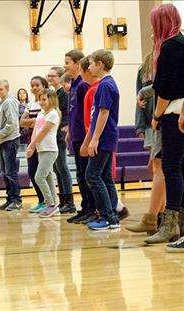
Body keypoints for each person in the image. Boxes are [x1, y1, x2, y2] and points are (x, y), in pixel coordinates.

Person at [146, 4, 184, 249]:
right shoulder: (180, 42)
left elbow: (167, 88)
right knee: (179, 168)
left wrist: (156, 116)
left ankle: (170, 224)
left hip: (172, 113)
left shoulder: (171, 46)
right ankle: (177, 226)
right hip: (178, 111)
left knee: (171, 168)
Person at [79, 56, 129, 224]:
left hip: (104, 137)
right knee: (105, 176)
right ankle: (114, 215)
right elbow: (95, 117)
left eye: (92, 63)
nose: (89, 67)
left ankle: (107, 217)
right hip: (106, 137)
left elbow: (103, 113)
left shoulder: (106, 85)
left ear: (100, 65)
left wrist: (94, 140)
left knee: (92, 175)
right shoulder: (105, 84)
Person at [125, 53, 166, 236]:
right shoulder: (145, 65)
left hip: (163, 118)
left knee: (159, 168)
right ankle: (160, 214)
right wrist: (139, 124)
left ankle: (159, 215)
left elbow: (160, 87)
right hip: (152, 122)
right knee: (156, 168)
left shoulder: (170, 54)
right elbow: (139, 97)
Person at [63, 49, 94, 224]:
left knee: (86, 174)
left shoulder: (83, 84)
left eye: (67, 62)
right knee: (81, 175)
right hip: (75, 135)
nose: (64, 65)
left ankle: (92, 208)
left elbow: (87, 112)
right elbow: (73, 112)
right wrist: (69, 132)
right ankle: (85, 208)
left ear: (77, 63)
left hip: (84, 136)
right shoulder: (74, 84)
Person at [27, 89, 61, 217]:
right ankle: (53, 204)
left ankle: (50, 204)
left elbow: (43, 132)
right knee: (48, 177)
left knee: (39, 177)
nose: (41, 102)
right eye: (39, 99)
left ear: (51, 100)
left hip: (50, 149)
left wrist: (31, 145)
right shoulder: (41, 113)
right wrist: (32, 147)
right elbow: (36, 131)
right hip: (41, 149)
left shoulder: (53, 114)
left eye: (44, 99)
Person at [47, 66, 76, 214]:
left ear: (60, 77)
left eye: (52, 76)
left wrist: (67, 126)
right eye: (48, 76)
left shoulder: (64, 93)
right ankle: (63, 200)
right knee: (57, 168)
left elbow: (68, 112)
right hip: (54, 132)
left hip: (60, 132)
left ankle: (69, 202)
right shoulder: (54, 93)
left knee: (62, 167)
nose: (49, 78)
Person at [20, 76, 49, 213]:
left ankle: (49, 202)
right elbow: (21, 122)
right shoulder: (30, 103)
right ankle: (41, 200)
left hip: (43, 141)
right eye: (32, 85)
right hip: (30, 140)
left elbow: (44, 122)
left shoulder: (47, 102)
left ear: (44, 86)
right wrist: (36, 120)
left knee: (42, 173)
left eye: (37, 85)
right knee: (32, 172)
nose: (34, 88)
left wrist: (33, 121)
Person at [0, 80, 22, 211]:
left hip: (10, 140)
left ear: (7, 89)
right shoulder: (1, 103)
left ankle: (16, 200)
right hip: (3, 140)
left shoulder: (9, 102)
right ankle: (10, 198)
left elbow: (12, 124)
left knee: (10, 172)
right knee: (5, 172)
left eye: (1, 89)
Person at [134, 53, 154, 150]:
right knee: (154, 158)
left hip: (167, 120)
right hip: (150, 123)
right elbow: (139, 99)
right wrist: (140, 126)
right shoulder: (144, 67)